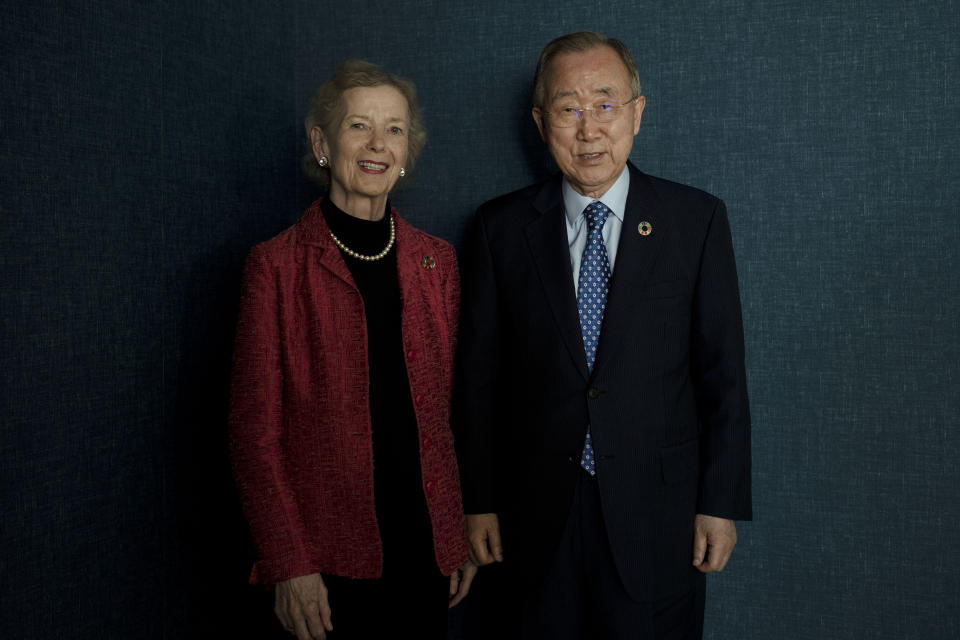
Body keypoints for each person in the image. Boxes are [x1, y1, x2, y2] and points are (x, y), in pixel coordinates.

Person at [454, 31, 751, 639]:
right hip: (533, 521)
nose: (589, 128)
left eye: (606, 104)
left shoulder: (695, 221)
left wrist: (720, 502)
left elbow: (723, 375)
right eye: (569, 108)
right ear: (541, 123)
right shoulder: (499, 229)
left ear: (638, 113)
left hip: (657, 519)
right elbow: (478, 380)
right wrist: (476, 499)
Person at [229, 60, 475, 640]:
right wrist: (290, 565)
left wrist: (454, 531)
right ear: (322, 142)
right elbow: (253, 436)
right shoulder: (276, 266)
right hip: (327, 559)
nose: (377, 145)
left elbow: (455, 417)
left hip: (426, 549)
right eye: (358, 126)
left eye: (394, 129)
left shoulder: (436, 262)